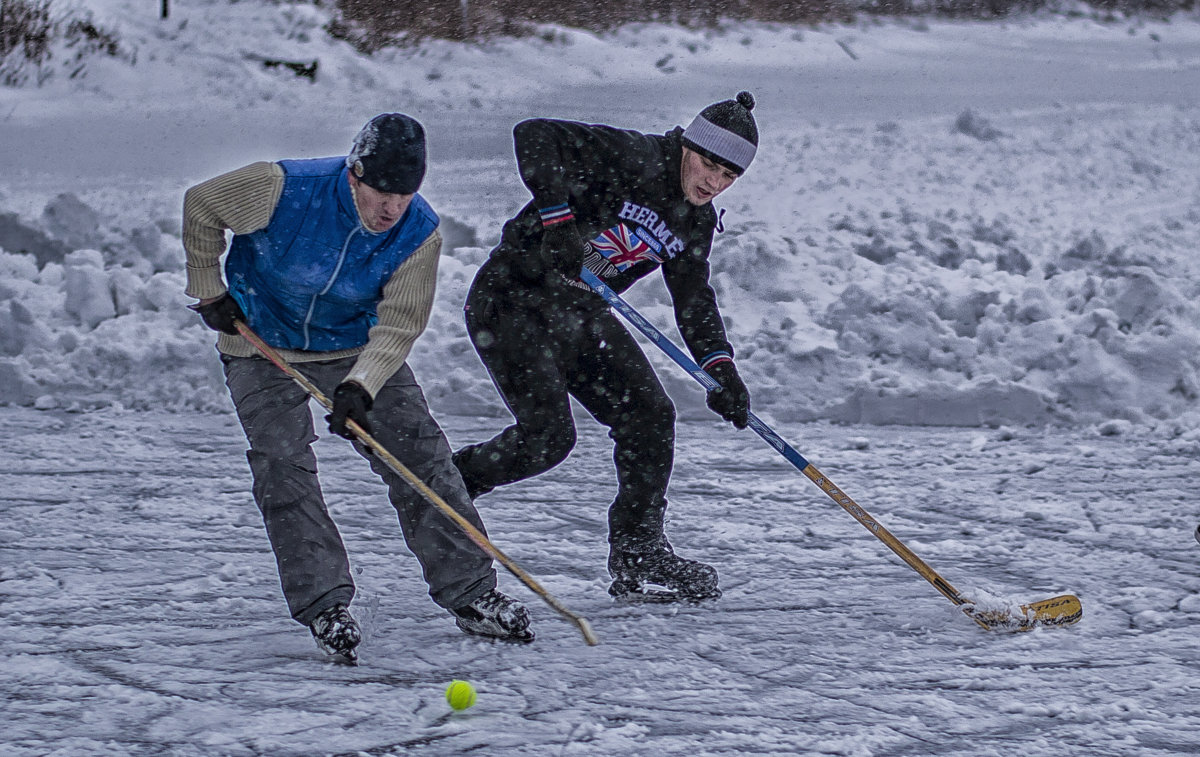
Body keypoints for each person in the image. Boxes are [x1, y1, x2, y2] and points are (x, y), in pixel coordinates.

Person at [181, 113, 534, 662]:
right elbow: (202, 204)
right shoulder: (284, 188)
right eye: (382, 192)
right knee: (281, 463)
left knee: (421, 457)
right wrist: (208, 289)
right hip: (259, 343)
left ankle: (472, 594)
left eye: (405, 193)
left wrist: (361, 387)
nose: (392, 208)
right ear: (354, 175)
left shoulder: (419, 231)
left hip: (353, 344)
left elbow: (398, 325)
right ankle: (324, 604)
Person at [452, 92, 758, 603]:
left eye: (729, 177)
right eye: (709, 164)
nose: (713, 183)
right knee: (548, 439)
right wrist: (557, 220)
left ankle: (639, 549)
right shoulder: (635, 156)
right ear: (688, 145)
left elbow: (693, 296)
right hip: (512, 301)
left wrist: (719, 366)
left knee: (651, 416)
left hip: (578, 315)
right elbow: (533, 133)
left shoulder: (695, 220)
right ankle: (450, 483)